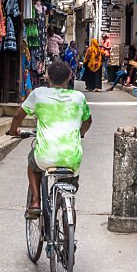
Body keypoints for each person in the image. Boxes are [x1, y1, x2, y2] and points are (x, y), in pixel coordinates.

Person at [6, 61, 92, 217]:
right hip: (71, 158)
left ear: (47, 77)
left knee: (33, 164)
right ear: (69, 78)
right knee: (70, 185)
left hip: (45, 156)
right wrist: (81, 133)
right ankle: (65, 213)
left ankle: (36, 202)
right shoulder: (79, 97)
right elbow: (87, 121)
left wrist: (14, 131)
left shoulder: (39, 94)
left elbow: (18, 115)